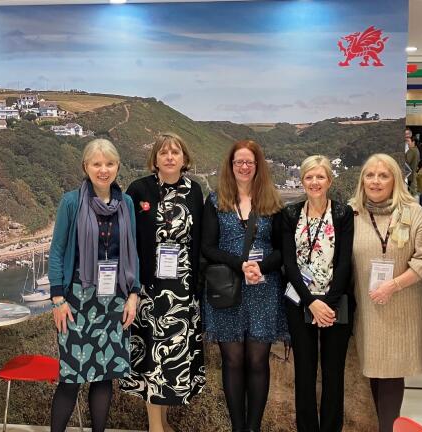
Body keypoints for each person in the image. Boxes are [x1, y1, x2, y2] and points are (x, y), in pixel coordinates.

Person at [48, 138, 140, 432]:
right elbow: (58, 252)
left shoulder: (126, 203)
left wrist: (133, 295)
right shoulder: (71, 202)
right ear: (85, 166)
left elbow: (133, 251)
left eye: (109, 163)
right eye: (97, 164)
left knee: (104, 376)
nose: (104, 170)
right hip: (76, 300)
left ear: (117, 167)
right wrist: (57, 300)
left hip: (114, 299)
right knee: (71, 378)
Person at [201, 139, 288, 432]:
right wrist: (240, 264)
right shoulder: (215, 201)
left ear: (258, 165)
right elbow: (208, 247)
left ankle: (253, 427)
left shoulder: (273, 203)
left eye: (249, 161)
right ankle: (238, 427)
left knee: (258, 360)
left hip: (264, 288)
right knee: (233, 360)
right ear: (230, 166)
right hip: (227, 290)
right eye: (239, 161)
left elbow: (282, 250)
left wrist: (259, 267)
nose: (244, 166)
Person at [121, 133, 205, 431]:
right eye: (164, 153)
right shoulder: (138, 189)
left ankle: (164, 420)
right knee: (152, 360)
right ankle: (155, 426)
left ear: (184, 158)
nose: (170, 157)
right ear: (155, 158)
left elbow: (198, 241)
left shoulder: (194, 191)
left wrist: (198, 286)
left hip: (183, 290)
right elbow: (127, 238)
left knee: (171, 364)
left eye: (175, 152)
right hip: (149, 290)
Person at [349, 154, 422, 432]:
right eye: (370, 175)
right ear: (362, 180)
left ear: (395, 179)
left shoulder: (413, 213)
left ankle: (388, 428)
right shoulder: (350, 213)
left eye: (383, 175)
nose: (375, 181)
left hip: (402, 303)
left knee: (392, 372)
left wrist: (393, 285)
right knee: (373, 370)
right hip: (367, 305)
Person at [281, 155, 354, 432]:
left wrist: (328, 304)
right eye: (309, 177)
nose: (315, 182)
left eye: (320, 177)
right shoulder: (289, 214)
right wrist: (312, 303)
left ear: (329, 181)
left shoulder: (343, 214)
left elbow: (345, 262)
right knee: (305, 373)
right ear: (302, 181)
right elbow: (289, 264)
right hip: (299, 302)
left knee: (334, 375)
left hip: (336, 304)